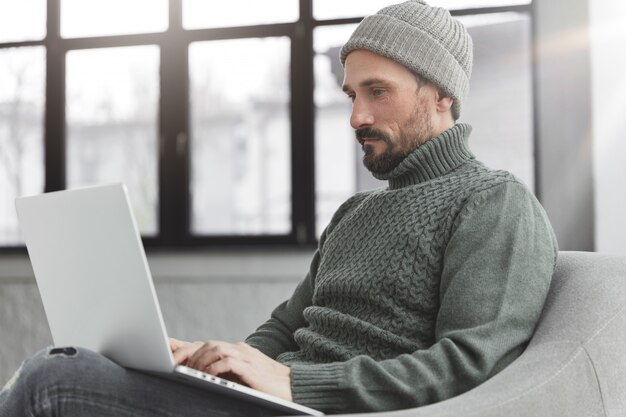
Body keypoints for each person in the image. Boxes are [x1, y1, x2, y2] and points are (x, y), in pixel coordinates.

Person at [0, 1, 558, 416]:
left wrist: (295, 386)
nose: (356, 116)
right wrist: (216, 363)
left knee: (56, 381)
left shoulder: (493, 203)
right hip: (276, 401)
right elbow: (287, 328)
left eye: (378, 92)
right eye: (351, 95)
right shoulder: (356, 214)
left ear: (442, 96)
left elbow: (469, 366)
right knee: (70, 358)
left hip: (313, 408)